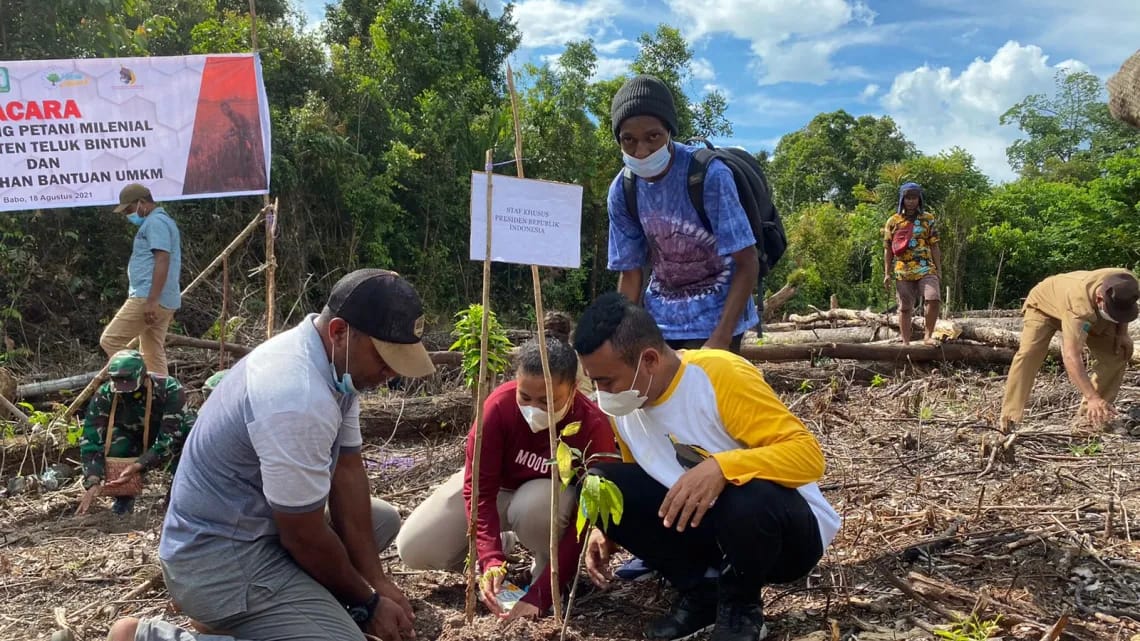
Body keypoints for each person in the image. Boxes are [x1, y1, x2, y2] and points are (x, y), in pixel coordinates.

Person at [120, 269, 437, 641]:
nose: (390, 372)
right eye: (384, 358)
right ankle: (149, 635)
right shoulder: (296, 394)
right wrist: (367, 604)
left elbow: (348, 470)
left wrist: (377, 581)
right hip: (218, 561)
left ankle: (258, 618)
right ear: (339, 332)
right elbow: (302, 535)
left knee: (380, 519)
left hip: (260, 529)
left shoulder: (333, 365)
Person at [572, 293, 840, 641]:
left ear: (649, 360)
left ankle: (741, 611)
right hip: (708, 528)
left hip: (782, 537)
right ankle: (701, 593)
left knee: (747, 493)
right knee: (600, 485)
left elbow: (807, 456)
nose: (600, 392)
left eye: (607, 381)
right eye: (594, 381)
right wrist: (607, 530)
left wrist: (722, 467)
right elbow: (638, 474)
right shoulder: (625, 407)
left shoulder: (718, 376)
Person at [396, 335, 618, 620]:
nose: (534, 409)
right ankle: (501, 545)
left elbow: (585, 515)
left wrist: (541, 595)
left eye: (548, 400)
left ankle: (546, 572)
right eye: (525, 397)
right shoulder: (498, 408)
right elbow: (480, 492)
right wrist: (490, 558)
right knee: (415, 548)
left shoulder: (592, 426)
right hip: (497, 492)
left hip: (547, 503)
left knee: (535, 505)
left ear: (574, 389)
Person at [607, 74, 759, 354]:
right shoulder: (623, 190)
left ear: (669, 133)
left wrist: (721, 339)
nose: (641, 151)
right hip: (660, 325)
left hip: (719, 319)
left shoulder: (708, 176)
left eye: (653, 137)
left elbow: (747, 262)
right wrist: (620, 338)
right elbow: (630, 275)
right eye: (629, 140)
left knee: (712, 397)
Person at [1000, 269, 1138, 430]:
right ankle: (1010, 418)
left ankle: (1090, 421)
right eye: (1114, 312)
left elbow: (1123, 308)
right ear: (1100, 298)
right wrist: (1091, 395)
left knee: (1118, 351)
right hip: (1044, 306)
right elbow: (1071, 355)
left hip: (1093, 312)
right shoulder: (1079, 306)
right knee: (1029, 354)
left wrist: (1122, 334)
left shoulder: (1127, 283)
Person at [77, 349, 196, 515]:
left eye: (128, 381)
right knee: (117, 443)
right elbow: (91, 438)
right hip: (132, 433)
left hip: (168, 431)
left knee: (190, 435)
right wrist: (93, 479)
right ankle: (124, 499)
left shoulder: (169, 388)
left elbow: (170, 435)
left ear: (143, 375)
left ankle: (180, 494)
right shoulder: (106, 394)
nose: (124, 387)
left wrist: (140, 464)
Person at [100, 183, 182, 375]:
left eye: (129, 209)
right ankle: (162, 398)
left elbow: (162, 258)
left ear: (142, 203)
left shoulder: (155, 223)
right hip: (165, 298)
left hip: (149, 296)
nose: (127, 214)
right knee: (152, 352)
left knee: (111, 340)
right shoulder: (163, 222)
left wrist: (152, 300)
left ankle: (137, 386)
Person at [882, 182, 941, 345]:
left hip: (926, 267)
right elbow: (888, 249)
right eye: (908, 198)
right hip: (903, 269)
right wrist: (887, 273)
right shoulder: (893, 221)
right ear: (902, 199)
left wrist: (938, 269)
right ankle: (906, 342)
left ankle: (928, 336)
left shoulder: (928, 219)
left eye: (914, 198)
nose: (911, 201)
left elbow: (934, 245)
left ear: (919, 199)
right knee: (905, 307)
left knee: (933, 298)